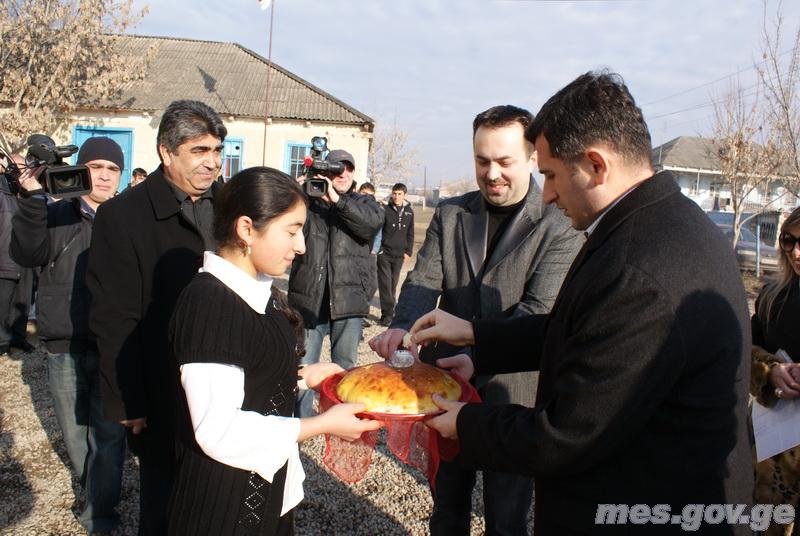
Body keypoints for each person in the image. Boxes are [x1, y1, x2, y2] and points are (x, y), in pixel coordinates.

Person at [410, 72, 754, 535]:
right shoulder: (654, 225)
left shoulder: (640, 268)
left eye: (551, 175)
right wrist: (475, 334)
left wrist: (467, 423)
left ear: (595, 165)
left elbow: (568, 433)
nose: (548, 194)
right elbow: (580, 330)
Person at [370, 105, 581, 535]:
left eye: (504, 161)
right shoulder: (451, 214)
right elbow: (423, 280)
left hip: (514, 394)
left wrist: (479, 354)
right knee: (447, 505)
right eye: (482, 161)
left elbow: (537, 310)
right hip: (444, 383)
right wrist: (402, 326)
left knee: (506, 516)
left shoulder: (558, 224)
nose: (492, 174)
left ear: (531, 158)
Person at [167, 167, 381, 535]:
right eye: (291, 231)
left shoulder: (255, 291)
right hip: (226, 506)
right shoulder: (210, 305)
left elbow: (249, 371)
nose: (301, 247)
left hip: (265, 491)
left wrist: (303, 376)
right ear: (247, 229)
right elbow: (218, 428)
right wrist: (322, 425)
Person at [87, 99, 227, 534]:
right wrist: (127, 398)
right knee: (165, 502)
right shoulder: (122, 216)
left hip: (228, 375)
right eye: (199, 151)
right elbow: (114, 315)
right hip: (163, 382)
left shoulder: (231, 207)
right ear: (167, 152)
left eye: (217, 151)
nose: (212, 163)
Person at [11, 137, 126, 533]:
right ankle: (96, 493)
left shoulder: (127, 218)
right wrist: (31, 198)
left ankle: (100, 513)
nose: (105, 176)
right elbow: (27, 254)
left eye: (112, 169)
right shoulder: (56, 212)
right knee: (76, 436)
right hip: (64, 341)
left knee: (109, 435)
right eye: (96, 167)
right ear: (80, 171)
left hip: (114, 344)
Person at [289, 149, 383, 418]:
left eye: (348, 168)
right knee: (304, 367)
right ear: (325, 172)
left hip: (349, 301)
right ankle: (302, 423)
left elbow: (370, 224)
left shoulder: (363, 202)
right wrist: (294, 190)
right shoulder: (307, 202)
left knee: (345, 368)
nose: (343, 173)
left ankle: (342, 421)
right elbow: (281, 217)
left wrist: (336, 200)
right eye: (336, 169)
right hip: (310, 300)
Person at [750, 206, 800, 536]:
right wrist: (769, 371)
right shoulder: (773, 298)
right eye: (788, 240)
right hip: (775, 452)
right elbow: (743, 351)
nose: (795, 252)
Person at [0, 153, 34, 355]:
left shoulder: (29, 194)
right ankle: (2, 342)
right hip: (5, 258)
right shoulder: (2, 193)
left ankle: (18, 338)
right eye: (17, 167)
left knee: (22, 302)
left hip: (27, 260)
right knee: (2, 303)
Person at [376, 182, 415, 327]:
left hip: (399, 255)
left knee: (393, 284)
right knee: (385, 285)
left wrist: (408, 251)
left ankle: (389, 311)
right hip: (384, 253)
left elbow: (410, 233)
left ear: (405, 195)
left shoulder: (409, 212)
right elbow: (378, 231)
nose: (396, 196)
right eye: (394, 193)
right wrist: (379, 249)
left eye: (399, 194)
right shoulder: (385, 209)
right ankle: (387, 315)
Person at [358, 181, 381, 326]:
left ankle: (362, 311)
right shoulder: (353, 209)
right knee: (357, 285)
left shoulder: (376, 211)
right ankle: (357, 317)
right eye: (364, 194)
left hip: (370, 253)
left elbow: (379, 231)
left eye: (370, 196)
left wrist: (375, 249)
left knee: (372, 284)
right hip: (356, 252)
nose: (366, 198)